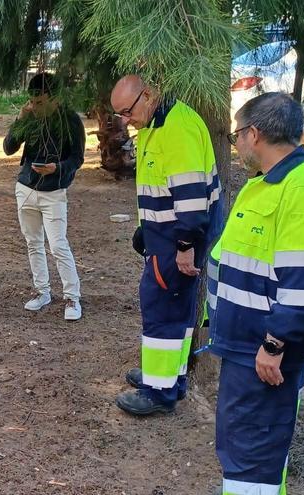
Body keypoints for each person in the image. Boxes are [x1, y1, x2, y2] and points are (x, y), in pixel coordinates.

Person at [208, 92, 304, 493]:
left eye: (237, 135)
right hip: (247, 343)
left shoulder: (303, 190)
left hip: (264, 352)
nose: (236, 143)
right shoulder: (273, 183)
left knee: (250, 453)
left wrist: (274, 345)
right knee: (253, 446)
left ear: (253, 134)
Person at [109, 74, 222, 415]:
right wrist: (147, 226)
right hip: (167, 234)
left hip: (179, 237)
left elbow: (190, 196)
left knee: (162, 305)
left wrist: (185, 245)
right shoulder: (156, 123)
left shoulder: (177, 128)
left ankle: (158, 393)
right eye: (121, 116)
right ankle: (170, 376)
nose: (126, 122)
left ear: (149, 95)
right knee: (177, 305)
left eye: (128, 112)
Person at [3, 72, 85, 320]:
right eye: (32, 102)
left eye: (40, 102)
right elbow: (8, 148)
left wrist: (57, 168)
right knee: (33, 243)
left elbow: (77, 158)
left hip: (54, 193)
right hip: (26, 189)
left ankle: (72, 297)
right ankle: (42, 292)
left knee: (58, 245)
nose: (34, 106)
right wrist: (20, 119)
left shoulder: (70, 120)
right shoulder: (29, 116)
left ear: (54, 98)